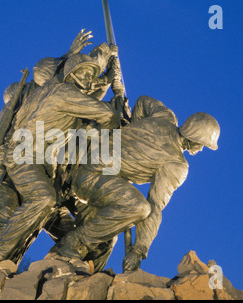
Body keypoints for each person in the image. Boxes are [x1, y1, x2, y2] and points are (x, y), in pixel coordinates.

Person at [0, 50, 123, 264]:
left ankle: (72, 265)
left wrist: (108, 76)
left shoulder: (57, 92)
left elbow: (89, 103)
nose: (87, 79)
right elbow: (107, 114)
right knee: (43, 198)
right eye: (83, 73)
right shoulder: (63, 93)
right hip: (25, 157)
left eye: (90, 75)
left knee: (81, 233)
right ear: (69, 74)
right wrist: (118, 114)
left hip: (47, 169)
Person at [50, 95, 220, 272]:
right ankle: (71, 243)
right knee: (138, 208)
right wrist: (139, 249)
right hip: (93, 177)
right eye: (202, 144)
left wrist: (133, 130)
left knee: (106, 239)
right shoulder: (176, 165)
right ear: (194, 137)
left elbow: (142, 102)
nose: (200, 149)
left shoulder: (165, 116)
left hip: (95, 175)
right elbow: (154, 205)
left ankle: (83, 275)